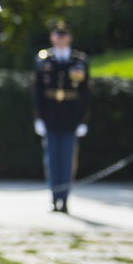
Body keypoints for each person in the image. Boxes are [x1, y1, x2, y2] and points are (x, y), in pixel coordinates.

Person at [32, 19, 91, 213]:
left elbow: (85, 93)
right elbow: (37, 91)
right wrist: (38, 118)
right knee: (51, 159)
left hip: (70, 117)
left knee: (67, 159)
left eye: (63, 35)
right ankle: (53, 197)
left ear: (69, 38)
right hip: (50, 116)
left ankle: (64, 199)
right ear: (52, 37)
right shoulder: (43, 60)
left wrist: (83, 119)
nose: (60, 38)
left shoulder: (80, 61)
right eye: (57, 35)